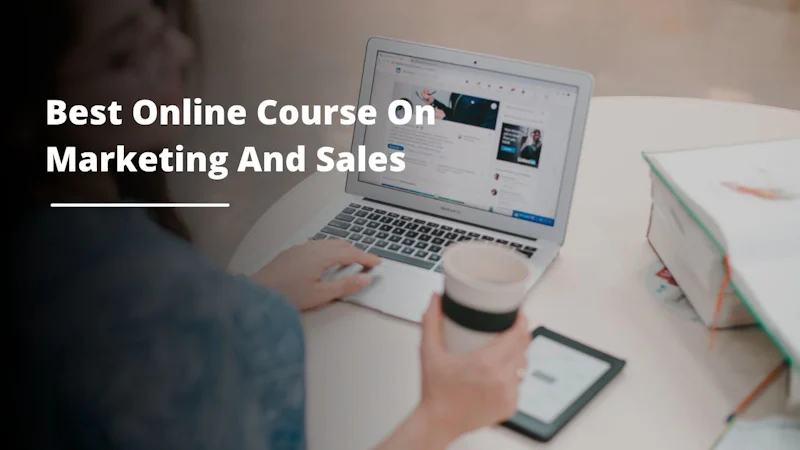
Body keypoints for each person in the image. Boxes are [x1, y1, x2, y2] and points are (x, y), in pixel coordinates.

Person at [7, 1, 531, 449]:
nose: (182, 51)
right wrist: (442, 417)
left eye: (160, 18)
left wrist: (246, 295)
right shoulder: (151, 307)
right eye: (124, 55)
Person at [420, 89, 498, 130]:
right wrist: (433, 102)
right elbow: (456, 116)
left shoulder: (492, 99)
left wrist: (445, 120)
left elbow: (481, 135)